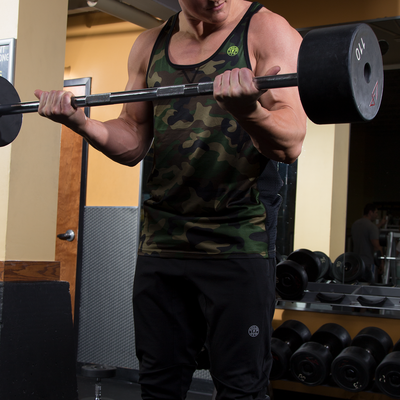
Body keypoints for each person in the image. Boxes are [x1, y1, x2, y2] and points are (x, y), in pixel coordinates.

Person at [34, 1, 307, 398]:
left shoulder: (266, 30)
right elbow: (132, 139)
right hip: (161, 243)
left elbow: (290, 141)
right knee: (159, 386)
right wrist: (82, 123)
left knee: (241, 388)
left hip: (237, 242)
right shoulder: (150, 45)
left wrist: (250, 111)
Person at [351, 203, 384, 283]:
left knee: (357, 286)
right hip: (368, 263)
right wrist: (382, 264)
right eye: (376, 212)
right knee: (369, 288)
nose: (377, 215)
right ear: (370, 212)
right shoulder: (371, 227)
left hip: (356, 262)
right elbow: (377, 246)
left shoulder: (355, 224)